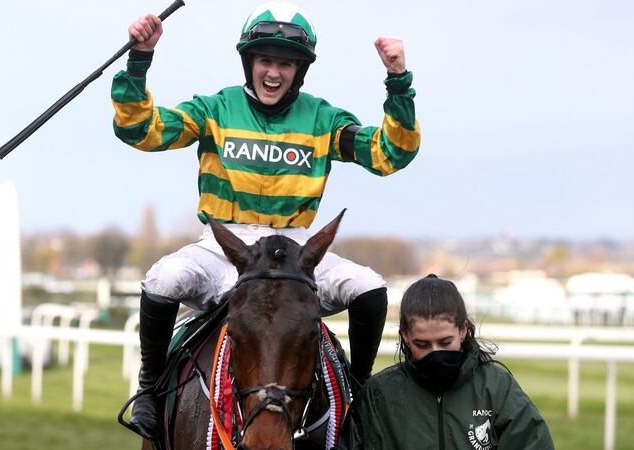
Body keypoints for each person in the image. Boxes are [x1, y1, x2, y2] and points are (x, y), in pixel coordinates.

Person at [111, 0, 421, 440]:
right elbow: (140, 130)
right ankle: (148, 392)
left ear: (300, 71)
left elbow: (391, 154)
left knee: (369, 288)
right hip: (224, 246)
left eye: (286, 64)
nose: (273, 72)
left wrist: (397, 80)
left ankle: (359, 391)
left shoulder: (323, 118)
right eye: (265, 60)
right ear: (249, 62)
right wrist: (140, 59)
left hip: (296, 249)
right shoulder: (215, 109)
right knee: (162, 281)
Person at [342, 274, 554, 449]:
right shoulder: (379, 394)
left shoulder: (497, 387)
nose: (436, 353)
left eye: (445, 342)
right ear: (405, 335)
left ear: (462, 330)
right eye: (422, 345)